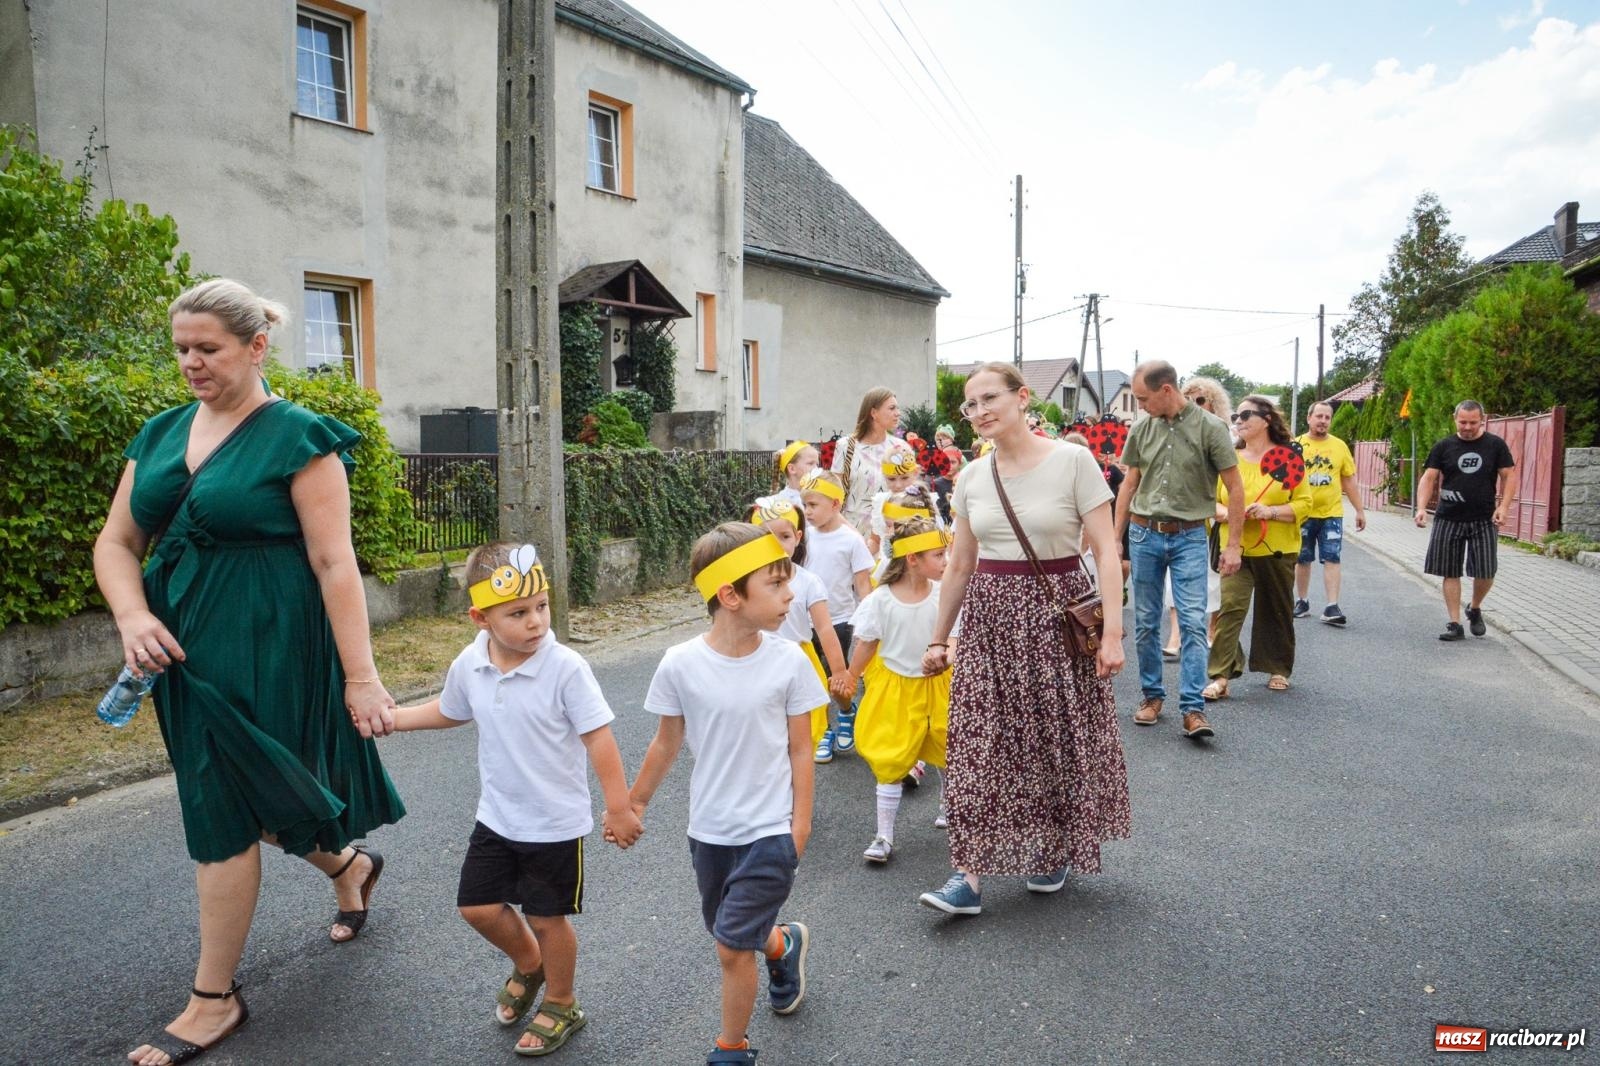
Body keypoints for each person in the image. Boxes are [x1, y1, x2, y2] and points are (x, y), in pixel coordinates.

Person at [93, 279, 406, 1066]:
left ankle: (213, 1000)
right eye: (182, 350)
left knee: (226, 806)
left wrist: (360, 676)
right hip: (178, 647)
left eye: (208, 349)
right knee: (247, 796)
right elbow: (116, 543)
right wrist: (133, 616)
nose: (191, 363)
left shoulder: (300, 435)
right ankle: (351, 864)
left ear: (256, 346)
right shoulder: (160, 432)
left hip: (272, 644)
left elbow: (336, 563)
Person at [390, 542, 641, 1056]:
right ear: (480, 617)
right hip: (497, 816)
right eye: (519, 613)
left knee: (549, 918)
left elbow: (599, 737)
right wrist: (395, 719)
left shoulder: (565, 667)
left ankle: (562, 1000)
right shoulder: (471, 661)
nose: (536, 622)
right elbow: (452, 709)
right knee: (477, 907)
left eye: (541, 607)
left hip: (553, 824)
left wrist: (619, 806)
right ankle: (530, 964)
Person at [917, 362, 1128, 917]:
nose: (980, 411)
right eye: (970, 404)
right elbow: (961, 563)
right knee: (977, 741)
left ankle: (1052, 846)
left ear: (1021, 397)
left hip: (1057, 616)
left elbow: (1106, 551)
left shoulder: (1073, 461)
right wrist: (941, 639)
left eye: (990, 398)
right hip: (989, 619)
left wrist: (1113, 633)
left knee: (1049, 738)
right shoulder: (970, 476)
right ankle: (967, 875)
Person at [626, 523, 823, 1065]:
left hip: (769, 831)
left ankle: (730, 1049)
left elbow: (801, 750)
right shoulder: (680, 663)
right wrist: (633, 802)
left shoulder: (788, 661)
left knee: (730, 944)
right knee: (733, 928)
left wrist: (799, 826)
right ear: (730, 596)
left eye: (790, 582)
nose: (791, 595)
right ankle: (783, 945)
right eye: (777, 584)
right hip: (709, 831)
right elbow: (667, 742)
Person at [1114, 360, 1244, 740]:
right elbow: (1129, 485)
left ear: (1166, 389)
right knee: (1145, 623)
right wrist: (1112, 538)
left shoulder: (1212, 428)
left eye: (1143, 398)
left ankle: (1192, 709)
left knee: (1191, 621)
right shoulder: (1141, 428)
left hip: (1189, 535)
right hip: (1143, 535)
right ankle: (1152, 697)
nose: (1140, 406)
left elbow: (1235, 488)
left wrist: (1233, 545)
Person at [839, 517, 953, 864]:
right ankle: (883, 835)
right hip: (895, 687)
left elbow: (954, 636)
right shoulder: (880, 601)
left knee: (948, 742)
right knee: (889, 756)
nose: (946, 562)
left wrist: (947, 655)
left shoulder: (944, 595)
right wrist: (852, 675)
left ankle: (949, 804)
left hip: (938, 683)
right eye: (938, 555)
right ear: (912, 560)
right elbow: (867, 643)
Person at [1202, 396, 1313, 699]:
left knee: (1276, 610)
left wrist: (1271, 511)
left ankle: (1277, 666)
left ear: (1266, 420)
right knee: (1230, 609)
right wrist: (1227, 513)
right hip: (1235, 548)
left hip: (1277, 548)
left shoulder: (1287, 458)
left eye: (1246, 414)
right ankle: (1220, 675)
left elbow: (1305, 502)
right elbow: (1210, 499)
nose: (1238, 420)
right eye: (1236, 415)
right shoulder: (1228, 458)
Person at [749, 496, 848, 748]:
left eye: (784, 536)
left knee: (807, 711)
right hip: (756, 657)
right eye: (766, 538)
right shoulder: (746, 582)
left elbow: (825, 628)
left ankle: (822, 733)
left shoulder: (808, 581)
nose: (777, 544)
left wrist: (838, 671)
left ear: (798, 537)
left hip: (798, 656)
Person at [1415, 400, 1518, 641]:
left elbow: (1509, 476)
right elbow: (1429, 478)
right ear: (1455, 419)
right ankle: (1454, 623)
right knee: (1449, 571)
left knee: (1485, 570)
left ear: (1482, 420)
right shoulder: (1444, 446)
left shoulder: (1495, 445)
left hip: (1483, 518)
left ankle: (1474, 607)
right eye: (1463, 422)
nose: (1468, 427)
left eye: (1473, 422)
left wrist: (1503, 507)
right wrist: (1421, 508)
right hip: (1448, 518)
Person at [798, 470, 873, 762]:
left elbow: (863, 583)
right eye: (805, 506)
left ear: (835, 505)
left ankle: (845, 709)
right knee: (813, 680)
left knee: (836, 680)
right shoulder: (803, 538)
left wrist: (870, 619)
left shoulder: (851, 540)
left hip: (839, 621)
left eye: (814, 505)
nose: (808, 511)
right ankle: (825, 729)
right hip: (805, 623)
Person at [1161, 377, 1231, 656]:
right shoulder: (1173, 431)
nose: (1195, 405)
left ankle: (1211, 630)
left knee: (1214, 581)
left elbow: (1233, 481)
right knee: (1174, 580)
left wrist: (1220, 508)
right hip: (1181, 516)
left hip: (1215, 517)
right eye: (1189, 399)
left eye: (1201, 400)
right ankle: (1176, 637)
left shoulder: (1224, 434)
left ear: (1214, 404)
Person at [1294, 401, 1367, 625]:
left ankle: (1332, 606)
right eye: (1319, 416)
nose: (1323, 421)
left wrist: (1359, 510)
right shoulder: (1295, 445)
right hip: (1303, 513)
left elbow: (1348, 480)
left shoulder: (1339, 446)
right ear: (1309, 418)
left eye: (1327, 417)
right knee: (1303, 558)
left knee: (1332, 557)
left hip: (1331, 514)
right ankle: (1302, 600)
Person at [830, 387, 902, 537]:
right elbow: (833, 494)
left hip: (887, 532)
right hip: (850, 531)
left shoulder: (899, 448)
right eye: (892, 408)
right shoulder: (846, 446)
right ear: (873, 413)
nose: (898, 413)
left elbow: (905, 493)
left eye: (897, 408)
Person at [772, 440, 818, 509]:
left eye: (817, 464)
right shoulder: (781, 502)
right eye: (810, 463)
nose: (816, 468)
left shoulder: (820, 496)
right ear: (792, 469)